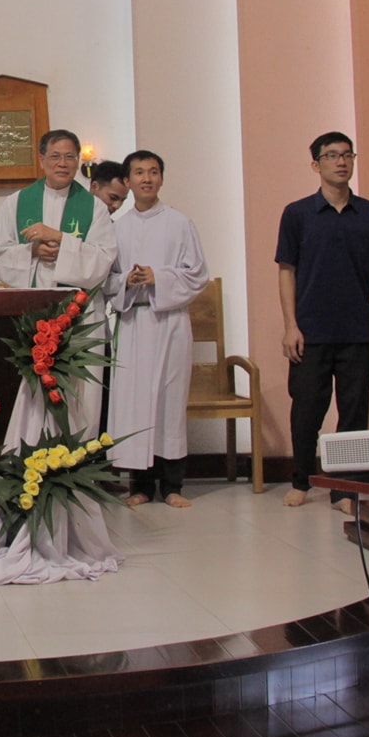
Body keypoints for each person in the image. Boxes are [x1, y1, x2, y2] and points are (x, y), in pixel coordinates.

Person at [277, 131, 369, 507]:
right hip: (310, 330)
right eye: (331, 155)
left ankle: (345, 488)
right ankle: (301, 481)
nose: (341, 162)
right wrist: (290, 325)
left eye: (347, 154)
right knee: (306, 411)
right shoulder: (297, 213)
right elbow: (286, 271)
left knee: (353, 413)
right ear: (315, 165)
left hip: (357, 330)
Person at [104, 151, 209, 508]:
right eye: (138, 173)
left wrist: (158, 277)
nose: (146, 179)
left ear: (162, 178)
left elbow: (198, 274)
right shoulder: (117, 228)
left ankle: (173, 485)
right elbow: (106, 279)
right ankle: (140, 485)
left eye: (153, 172)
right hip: (134, 322)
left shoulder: (180, 223)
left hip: (170, 322)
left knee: (169, 401)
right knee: (134, 404)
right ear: (128, 181)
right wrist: (127, 281)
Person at [0, 129, 118, 291]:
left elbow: (103, 259)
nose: (62, 163)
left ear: (77, 161)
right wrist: (33, 251)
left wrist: (59, 238)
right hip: (29, 301)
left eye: (69, 157)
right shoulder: (15, 203)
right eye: (55, 156)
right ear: (41, 160)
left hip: (78, 302)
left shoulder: (95, 207)